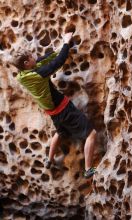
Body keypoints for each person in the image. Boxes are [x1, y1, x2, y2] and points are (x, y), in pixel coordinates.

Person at [14, 32, 97, 178]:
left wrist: (61, 47)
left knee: (60, 132)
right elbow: (57, 63)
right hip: (64, 110)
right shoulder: (37, 75)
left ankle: (49, 159)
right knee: (91, 133)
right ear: (27, 63)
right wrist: (66, 43)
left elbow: (44, 59)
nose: (35, 58)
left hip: (54, 113)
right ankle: (88, 169)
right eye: (31, 57)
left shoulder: (23, 74)